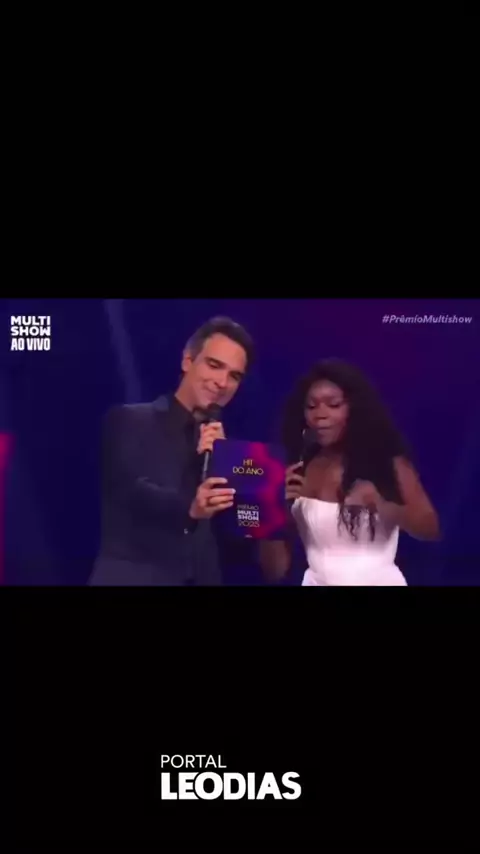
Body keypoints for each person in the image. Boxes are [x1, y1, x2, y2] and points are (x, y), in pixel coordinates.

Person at [89, 316, 254, 586]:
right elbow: (133, 492)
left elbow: (235, 535)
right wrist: (192, 502)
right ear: (188, 361)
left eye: (234, 376)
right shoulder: (132, 420)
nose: (222, 382)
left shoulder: (225, 449)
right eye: (214, 365)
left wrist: (268, 497)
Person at [259, 359, 440, 586]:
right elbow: (274, 570)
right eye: (311, 406)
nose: (320, 414)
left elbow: (430, 529)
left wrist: (381, 503)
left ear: (355, 409)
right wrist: (271, 506)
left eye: (333, 404)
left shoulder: (386, 464)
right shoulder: (296, 467)